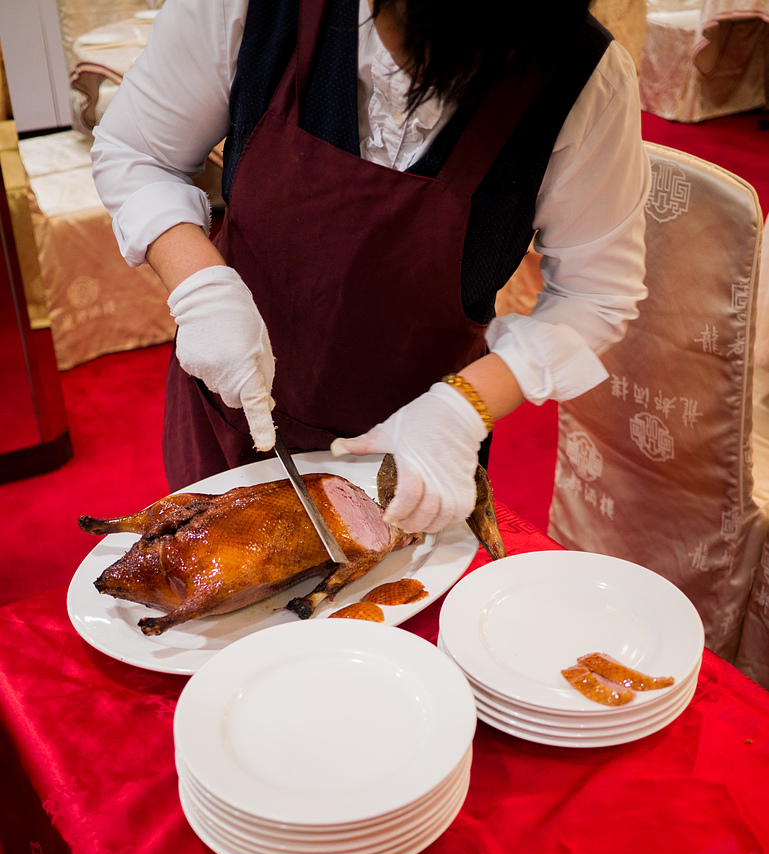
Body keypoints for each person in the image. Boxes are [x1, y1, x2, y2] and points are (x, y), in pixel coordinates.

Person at [91, 0, 650, 535]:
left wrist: (462, 408)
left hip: (415, 448)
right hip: (228, 404)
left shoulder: (584, 75)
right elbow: (139, 152)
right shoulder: (258, 8)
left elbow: (594, 294)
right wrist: (200, 288)